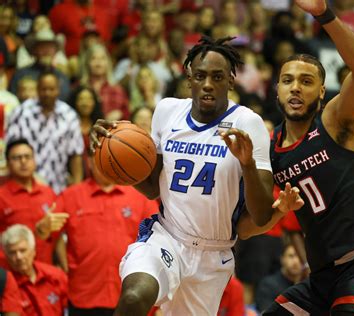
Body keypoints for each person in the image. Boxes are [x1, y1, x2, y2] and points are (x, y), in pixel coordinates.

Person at [90, 36, 301, 316]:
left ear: (230, 81)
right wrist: (112, 155)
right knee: (134, 296)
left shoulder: (248, 123)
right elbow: (153, 187)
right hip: (167, 236)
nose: (208, 84)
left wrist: (248, 164)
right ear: (189, 79)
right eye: (200, 76)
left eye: (217, 76)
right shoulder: (167, 111)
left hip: (213, 255)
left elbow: (261, 215)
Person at [266, 0, 354, 314]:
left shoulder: (335, 120)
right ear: (276, 89)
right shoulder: (271, 147)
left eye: (306, 82)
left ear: (321, 91)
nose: (296, 89)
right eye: (288, 80)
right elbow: (258, 221)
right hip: (322, 278)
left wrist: (324, 15)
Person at [39, 151, 158, 316]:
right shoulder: (70, 196)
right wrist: (42, 229)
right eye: (98, 159)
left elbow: (156, 243)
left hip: (131, 293)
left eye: (107, 159)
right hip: (84, 295)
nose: (103, 164)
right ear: (89, 162)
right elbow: (46, 236)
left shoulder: (140, 196)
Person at [6, 70, 84, 193]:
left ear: (58, 90)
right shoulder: (21, 113)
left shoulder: (69, 115)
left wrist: (77, 187)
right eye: (43, 89)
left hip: (59, 186)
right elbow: (11, 151)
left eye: (51, 89)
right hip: (26, 188)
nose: (47, 93)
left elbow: (76, 154)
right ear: (37, 89)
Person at [0, 139, 68, 264]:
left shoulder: (47, 192)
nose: (23, 161)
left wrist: (64, 266)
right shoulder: (2, 196)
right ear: (8, 164)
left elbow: (57, 236)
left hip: (44, 270)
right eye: (17, 158)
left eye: (27, 157)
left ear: (34, 160)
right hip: (12, 271)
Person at [1, 224, 68, 316]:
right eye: (12, 253)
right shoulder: (4, 285)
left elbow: (68, 307)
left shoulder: (55, 276)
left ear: (33, 251)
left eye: (23, 250)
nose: (19, 257)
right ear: (6, 256)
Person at [255, 243, 303, 313]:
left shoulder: (308, 284)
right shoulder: (268, 285)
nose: (296, 261)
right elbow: (266, 312)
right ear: (282, 259)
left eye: (300, 256)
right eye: (291, 256)